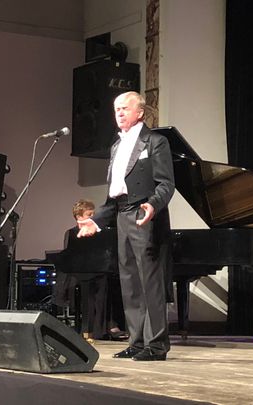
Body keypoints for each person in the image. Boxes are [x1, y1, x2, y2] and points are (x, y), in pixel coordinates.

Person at [77, 91, 175, 361]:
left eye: (124, 108)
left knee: (150, 282)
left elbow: (166, 183)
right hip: (122, 215)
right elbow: (114, 195)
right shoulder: (116, 146)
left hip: (144, 215)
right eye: (116, 109)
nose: (119, 112)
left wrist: (153, 204)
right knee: (130, 282)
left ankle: (156, 345)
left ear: (140, 112)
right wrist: (95, 220)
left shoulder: (155, 142)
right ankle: (137, 341)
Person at [52, 199, 127, 340]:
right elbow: (70, 256)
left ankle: (103, 328)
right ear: (78, 217)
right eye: (89, 214)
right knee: (93, 288)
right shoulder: (72, 232)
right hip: (79, 272)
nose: (93, 217)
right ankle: (92, 328)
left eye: (93, 214)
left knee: (108, 285)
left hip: (97, 269)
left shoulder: (99, 231)